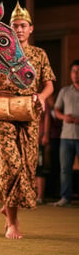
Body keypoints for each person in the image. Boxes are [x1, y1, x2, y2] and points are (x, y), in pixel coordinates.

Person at [0, 1, 55, 239]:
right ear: (9, 29)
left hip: (28, 113)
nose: (18, 29)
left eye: (22, 25)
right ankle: (12, 222)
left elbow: (48, 84)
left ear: (31, 29)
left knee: (27, 166)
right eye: (14, 25)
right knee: (10, 164)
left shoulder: (39, 55)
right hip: (1, 114)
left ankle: (8, 206)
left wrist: (41, 96)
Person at [52, 59, 79, 207]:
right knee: (65, 169)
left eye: (78, 71)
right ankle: (65, 197)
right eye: (73, 71)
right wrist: (65, 117)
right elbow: (56, 111)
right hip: (66, 136)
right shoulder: (64, 91)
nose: (76, 74)